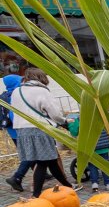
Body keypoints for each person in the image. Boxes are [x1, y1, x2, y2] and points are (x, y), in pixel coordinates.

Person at [8, 68, 77, 196]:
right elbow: (54, 113)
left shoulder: (17, 91)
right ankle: (36, 195)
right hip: (39, 129)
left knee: (51, 160)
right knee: (42, 162)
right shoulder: (42, 91)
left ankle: (68, 186)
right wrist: (64, 121)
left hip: (22, 131)